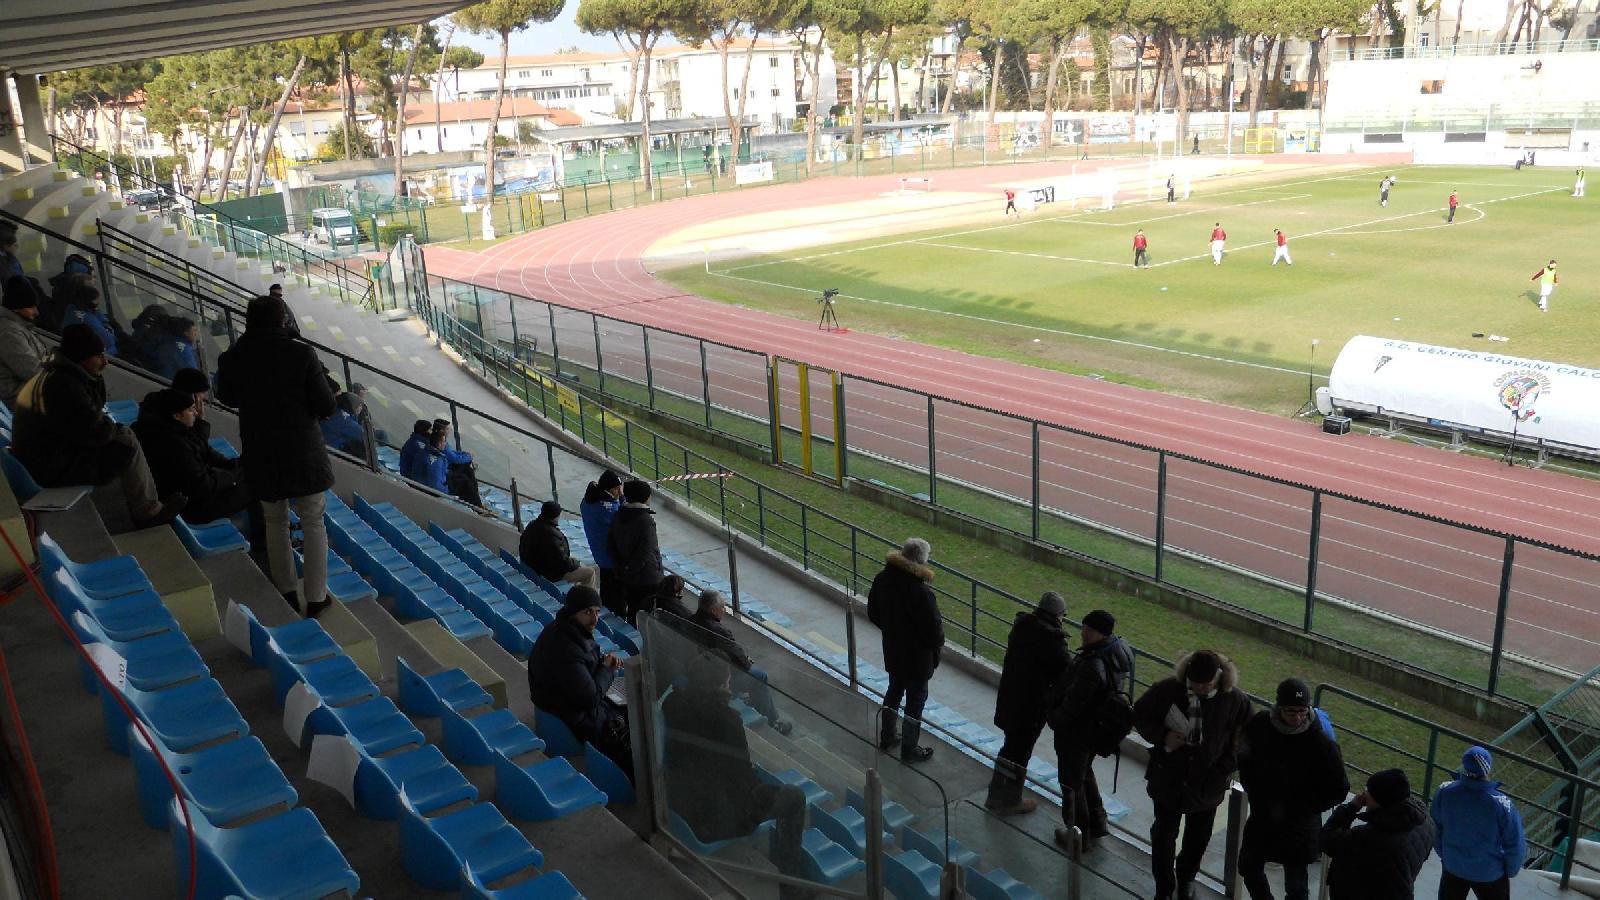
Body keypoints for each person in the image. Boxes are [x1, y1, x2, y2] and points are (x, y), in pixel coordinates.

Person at [214, 293, 337, 618]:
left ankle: (285, 591)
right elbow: (326, 405)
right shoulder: (301, 354)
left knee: (274, 520)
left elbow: (225, 395)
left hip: (261, 449)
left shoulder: (234, 357)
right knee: (312, 521)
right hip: (303, 451)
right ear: (282, 320)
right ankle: (316, 596)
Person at [662, 653, 812, 899]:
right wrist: (757, 783)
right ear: (721, 684)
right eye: (728, 681)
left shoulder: (672, 702)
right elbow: (743, 780)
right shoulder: (728, 719)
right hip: (716, 818)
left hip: (681, 800)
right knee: (794, 797)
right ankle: (790, 883)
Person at [11, 325, 186, 528]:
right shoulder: (64, 386)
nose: (105, 361)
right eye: (98, 356)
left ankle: (147, 502)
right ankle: (147, 512)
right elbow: (97, 432)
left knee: (123, 436)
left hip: (45, 455)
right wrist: (113, 428)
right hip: (49, 465)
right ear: (80, 357)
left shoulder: (61, 375)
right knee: (126, 441)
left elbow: (91, 416)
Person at [1132, 650, 1253, 900]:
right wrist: (1162, 736)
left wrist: (1223, 768)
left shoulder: (1236, 701)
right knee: (1164, 836)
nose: (1197, 688)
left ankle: (1186, 879)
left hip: (1208, 786)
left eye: (1204, 684)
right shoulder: (1167, 690)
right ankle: (1164, 888)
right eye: (1193, 682)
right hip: (1168, 779)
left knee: (1197, 840)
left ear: (1218, 678)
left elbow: (1246, 740)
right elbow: (1140, 714)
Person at [1236, 678, 1350, 900]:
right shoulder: (1260, 725)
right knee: (1248, 867)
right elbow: (1245, 758)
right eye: (1291, 712)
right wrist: (1256, 792)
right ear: (1278, 708)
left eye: (1302, 711)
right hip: (1265, 815)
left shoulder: (1321, 742)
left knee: (1297, 887)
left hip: (1299, 824)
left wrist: (1304, 806)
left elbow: (1340, 787)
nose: (1298, 718)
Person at [526, 585, 632, 780]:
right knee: (627, 726)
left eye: (597, 612)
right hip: (570, 708)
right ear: (574, 612)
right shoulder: (566, 648)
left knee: (626, 704)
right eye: (587, 612)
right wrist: (607, 669)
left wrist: (602, 666)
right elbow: (589, 699)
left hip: (561, 696)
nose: (595, 619)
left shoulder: (563, 629)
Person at [1048, 609, 1131, 850]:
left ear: (1100, 633)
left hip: (1076, 732)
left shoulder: (1092, 665)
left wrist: (1054, 718)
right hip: (1094, 730)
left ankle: (1078, 835)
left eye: (1088, 629)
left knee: (1070, 783)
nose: (1082, 632)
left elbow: (1074, 703)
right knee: (1084, 774)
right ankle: (1097, 823)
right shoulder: (1115, 653)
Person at [985, 591, 1072, 815]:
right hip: (1031, 706)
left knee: (1009, 748)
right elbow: (1067, 674)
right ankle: (1011, 799)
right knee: (1021, 753)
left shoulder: (1022, 626)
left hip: (1010, 698)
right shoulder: (1053, 640)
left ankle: (995, 794)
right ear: (1058, 615)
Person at [868, 537, 944, 763]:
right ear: (922, 561)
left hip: (893, 651)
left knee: (894, 691)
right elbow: (935, 633)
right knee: (915, 704)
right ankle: (909, 749)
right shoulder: (922, 593)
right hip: (918, 660)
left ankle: (888, 736)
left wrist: (892, 631)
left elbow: (874, 613)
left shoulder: (883, 579)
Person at [130, 388, 251, 525]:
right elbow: (202, 484)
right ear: (176, 416)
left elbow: (202, 453)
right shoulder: (174, 444)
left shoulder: (163, 429)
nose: (196, 412)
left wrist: (199, 423)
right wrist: (235, 475)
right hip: (192, 509)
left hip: (183, 497)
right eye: (190, 409)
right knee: (257, 486)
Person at [1321, 768, 1434, 900]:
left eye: (1369, 791)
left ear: (1379, 800)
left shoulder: (1370, 837)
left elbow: (1326, 839)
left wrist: (1351, 807)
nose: (1365, 793)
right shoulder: (1424, 819)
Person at [689, 589, 791, 734]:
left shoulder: (691, 620)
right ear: (713, 610)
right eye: (723, 607)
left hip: (702, 669)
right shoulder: (719, 631)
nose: (724, 610)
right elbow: (741, 660)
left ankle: (756, 703)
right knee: (760, 676)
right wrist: (747, 661)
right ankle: (772, 720)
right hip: (720, 675)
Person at [1432, 746, 1526, 900]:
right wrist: (1511, 870)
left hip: (1453, 866)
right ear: (1488, 768)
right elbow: (1515, 843)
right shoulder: (1502, 804)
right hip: (1489, 873)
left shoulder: (1445, 791)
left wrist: (1445, 854)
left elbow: (1436, 828)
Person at [607, 479, 663, 625]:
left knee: (633, 611)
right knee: (647, 618)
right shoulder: (646, 520)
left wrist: (622, 569)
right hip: (647, 578)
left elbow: (610, 545)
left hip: (627, 577)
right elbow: (646, 552)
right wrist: (630, 569)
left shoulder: (618, 515)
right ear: (644, 497)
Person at [520, 500, 601, 592]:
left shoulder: (532, 525)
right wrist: (576, 563)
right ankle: (587, 600)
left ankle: (579, 591)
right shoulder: (551, 535)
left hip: (536, 566)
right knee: (590, 573)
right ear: (556, 515)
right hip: (550, 572)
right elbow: (562, 562)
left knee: (580, 564)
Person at [0, 277, 51, 411]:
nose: (36, 312)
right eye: (31, 307)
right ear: (16, 308)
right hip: (19, 399)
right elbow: (32, 371)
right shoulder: (9, 333)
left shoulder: (20, 326)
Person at [580, 470, 625, 617]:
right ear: (608, 489)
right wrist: (623, 498)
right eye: (617, 488)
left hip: (600, 553)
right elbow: (623, 517)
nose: (619, 491)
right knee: (616, 594)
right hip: (610, 557)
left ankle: (606, 612)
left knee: (607, 586)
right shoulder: (606, 508)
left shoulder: (588, 501)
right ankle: (616, 618)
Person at [430, 418, 482, 507]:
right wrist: (469, 457)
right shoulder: (437, 456)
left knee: (466, 471)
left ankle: (475, 496)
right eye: (447, 428)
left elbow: (452, 453)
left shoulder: (436, 441)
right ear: (442, 430)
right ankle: (477, 504)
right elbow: (454, 459)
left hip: (446, 471)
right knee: (465, 478)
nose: (449, 430)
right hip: (444, 481)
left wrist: (466, 454)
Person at [60, 284, 121, 357]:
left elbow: (100, 316)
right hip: (102, 355)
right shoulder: (87, 319)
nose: (97, 307)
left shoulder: (73, 308)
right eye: (95, 304)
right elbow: (108, 341)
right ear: (87, 302)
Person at [149, 316, 200, 382]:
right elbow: (195, 377)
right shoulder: (183, 349)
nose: (196, 334)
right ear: (186, 333)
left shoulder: (169, 342)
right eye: (194, 331)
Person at [320, 392, 368, 457]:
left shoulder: (337, 410)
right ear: (352, 406)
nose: (361, 408)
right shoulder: (345, 422)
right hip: (326, 453)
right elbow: (365, 436)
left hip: (323, 443)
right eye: (359, 405)